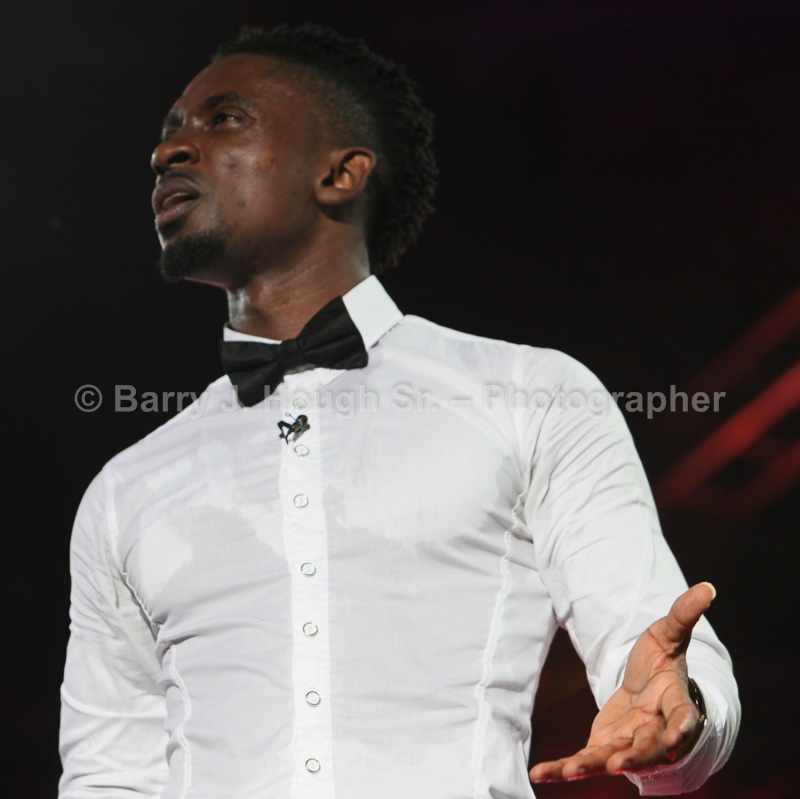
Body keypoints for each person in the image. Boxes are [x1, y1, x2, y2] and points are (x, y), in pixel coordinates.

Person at [59, 23, 740, 799]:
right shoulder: (128, 487)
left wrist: (678, 717)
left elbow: (658, 657)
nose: (168, 151)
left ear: (340, 173)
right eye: (170, 129)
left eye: (223, 120)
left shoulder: (531, 397)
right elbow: (108, 774)